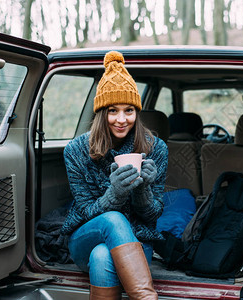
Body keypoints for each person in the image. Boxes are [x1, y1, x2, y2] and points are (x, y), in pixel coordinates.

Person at [61, 51, 168, 300]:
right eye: (112, 111)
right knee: (112, 219)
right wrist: (115, 193)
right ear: (101, 113)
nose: (121, 120)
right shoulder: (76, 151)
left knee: (102, 255)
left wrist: (143, 188)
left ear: (137, 112)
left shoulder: (156, 148)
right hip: (84, 237)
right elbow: (86, 211)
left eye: (129, 110)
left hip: (137, 242)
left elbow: (153, 215)